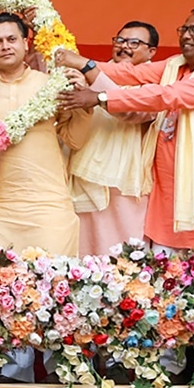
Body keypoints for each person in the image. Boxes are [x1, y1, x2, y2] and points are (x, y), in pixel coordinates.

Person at [57, 9, 194, 253]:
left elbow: (168, 96)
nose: (187, 35)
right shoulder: (175, 67)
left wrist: (100, 97)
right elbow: (131, 73)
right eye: (184, 29)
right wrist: (84, 63)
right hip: (168, 200)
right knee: (162, 281)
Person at [0, 13, 92, 256]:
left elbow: (75, 139)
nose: (5, 46)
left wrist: (85, 105)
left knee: (55, 287)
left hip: (50, 206)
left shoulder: (51, 84)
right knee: (1, 288)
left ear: (26, 43)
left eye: (12, 39)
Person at [67, 22, 159, 255]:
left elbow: (133, 110)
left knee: (122, 260)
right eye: (120, 41)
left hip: (124, 186)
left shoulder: (157, 84)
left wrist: (91, 77)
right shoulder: (90, 74)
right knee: (83, 260)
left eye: (134, 43)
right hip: (84, 177)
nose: (124, 47)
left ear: (152, 52)